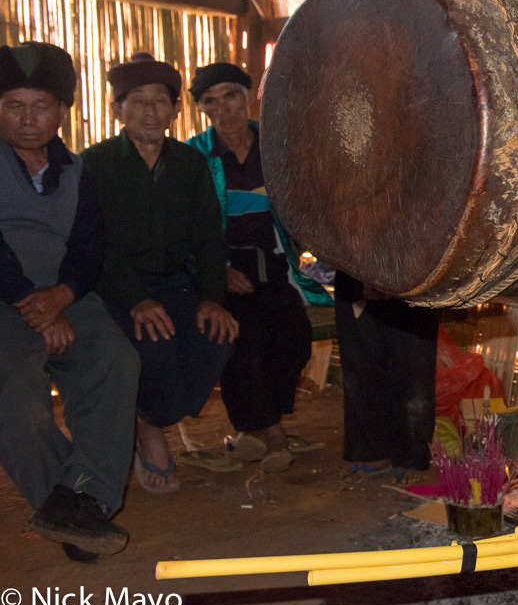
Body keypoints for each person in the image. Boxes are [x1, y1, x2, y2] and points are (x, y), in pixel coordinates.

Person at [0, 41, 140, 562]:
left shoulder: (77, 172)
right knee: (14, 394)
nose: (29, 119)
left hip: (66, 296)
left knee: (115, 360)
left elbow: (89, 247)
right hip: (5, 303)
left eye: (42, 106)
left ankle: (82, 499)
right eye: (14, 105)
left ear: (63, 111)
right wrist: (31, 304)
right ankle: (70, 508)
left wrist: (60, 298)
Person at [82, 52, 238, 495]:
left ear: (174, 110)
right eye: (137, 100)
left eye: (160, 101)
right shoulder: (94, 165)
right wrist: (135, 299)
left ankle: (151, 415)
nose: (150, 111)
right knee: (156, 343)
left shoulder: (189, 163)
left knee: (217, 336)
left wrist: (211, 297)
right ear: (117, 110)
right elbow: (91, 247)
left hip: (177, 285)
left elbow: (210, 238)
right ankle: (151, 429)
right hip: (114, 290)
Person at [187, 62, 332, 472]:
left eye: (230, 96)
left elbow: (304, 205)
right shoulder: (194, 156)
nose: (222, 109)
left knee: (294, 337)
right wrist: (217, 274)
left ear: (247, 96)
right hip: (222, 269)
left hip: (271, 262)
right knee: (242, 339)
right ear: (201, 108)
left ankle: (252, 430)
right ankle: (272, 434)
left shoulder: (277, 146)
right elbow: (186, 230)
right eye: (209, 101)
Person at [334, 270, 439, 485]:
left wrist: (390, 278)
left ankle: (412, 456)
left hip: (412, 269)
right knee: (360, 366)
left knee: (414, 368)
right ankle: (371, 452)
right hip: (354, 267)